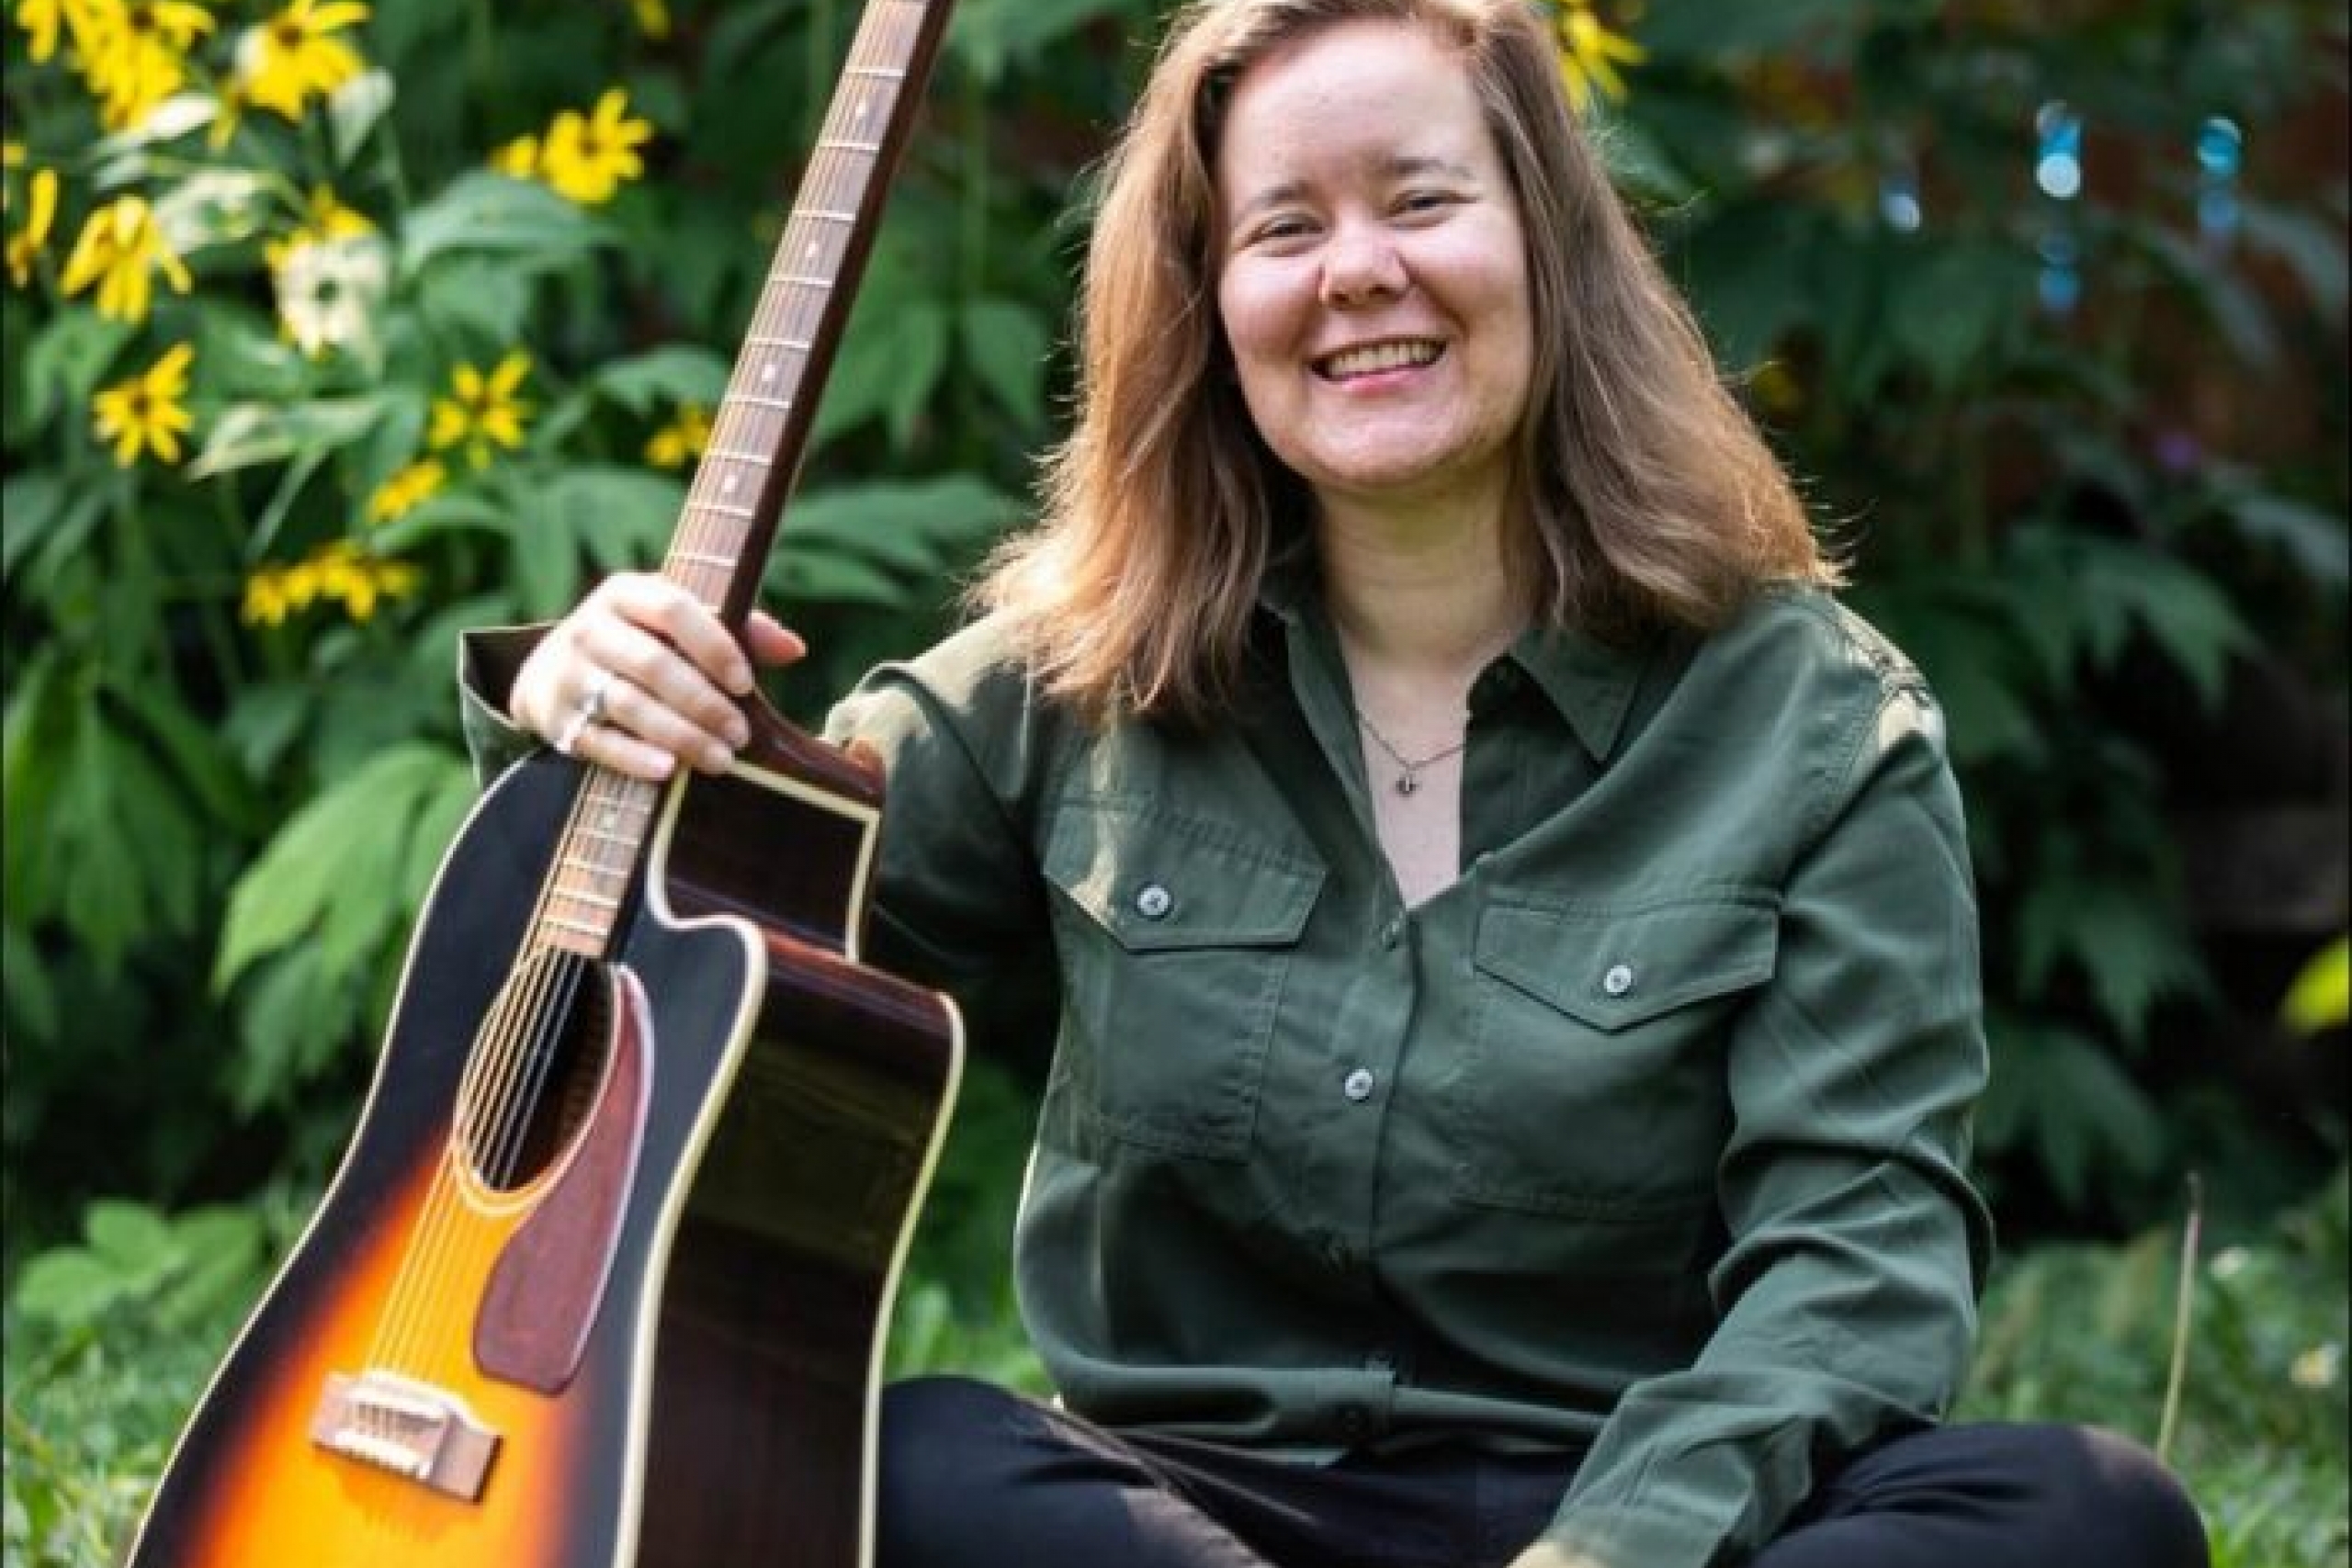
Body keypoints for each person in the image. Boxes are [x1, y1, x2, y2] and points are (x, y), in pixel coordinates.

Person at [459, 0, 2211, 1562]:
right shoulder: (1075, 682)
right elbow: (660, 947)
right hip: (1190, 1516)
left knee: (2083, 1516)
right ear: (1209, 307)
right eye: (1284, 227)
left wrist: (1614, 1554)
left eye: (1421, 201)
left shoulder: (1812, 722)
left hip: (1653, 1512)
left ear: (1550, 248)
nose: (1356, 272)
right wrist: (573, 711)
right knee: (898, 1468)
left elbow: (1855, 1265)